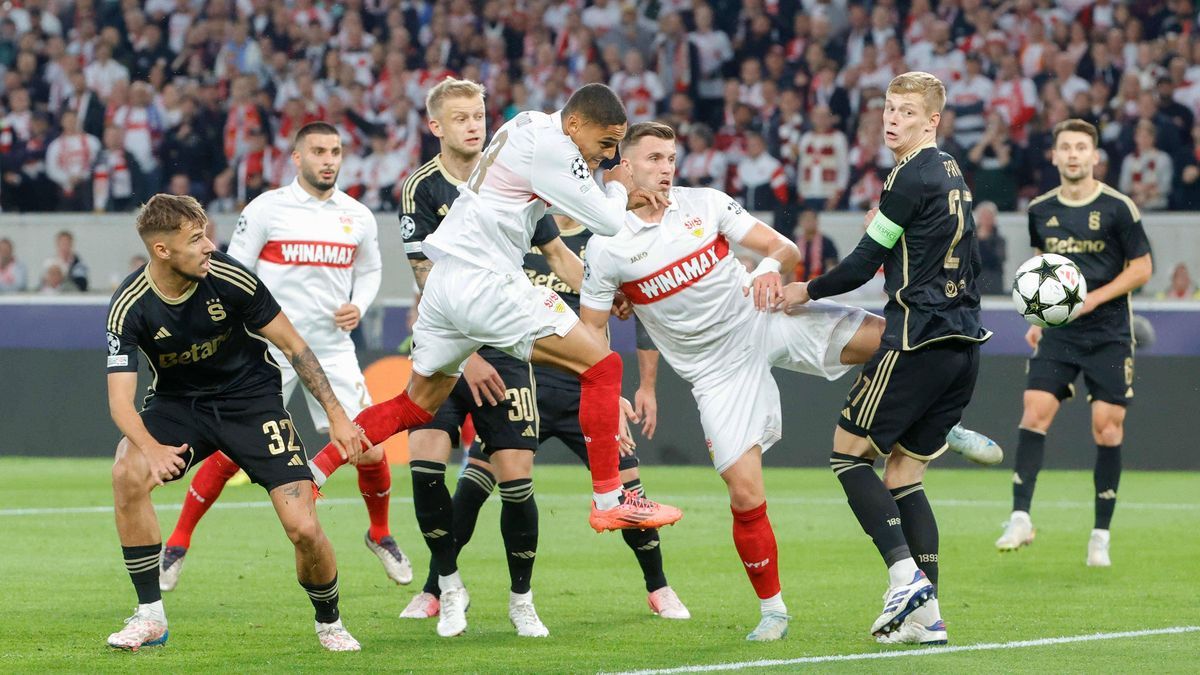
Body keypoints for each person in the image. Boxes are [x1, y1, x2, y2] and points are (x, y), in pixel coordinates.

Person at [301, 82, 684, 635]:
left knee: (413, 407)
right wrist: (622, 186)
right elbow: (605, 221)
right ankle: (610, 499)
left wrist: (606, 191)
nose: (608, 155)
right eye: (607, 143)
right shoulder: (555, 147)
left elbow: (559, 232)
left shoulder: (527, 124)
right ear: (577, 125)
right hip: (488, 286)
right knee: (603, 366)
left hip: (447, 286)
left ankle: (316, 471)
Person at [781, 72, 992, 646]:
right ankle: (928, 619)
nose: (891, 119)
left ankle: (904, 580)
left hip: (916, 340)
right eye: (887, 109)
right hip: (963, 345)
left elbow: (863, 262)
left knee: (849, 457)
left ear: (932, 120)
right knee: (905, 474)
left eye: (905, 111)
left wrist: (807, 289)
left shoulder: (907, 176)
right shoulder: (950, 170)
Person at [157, 121, 411, 593]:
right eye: (318, 150)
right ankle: (178, 542)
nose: (328, 159)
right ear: (297, 158)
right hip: (267, 348)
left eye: (335, 150)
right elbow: (232, 270)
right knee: (233, 451)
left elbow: (372, 268)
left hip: (331, 349)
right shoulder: (267, 208)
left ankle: (380, 533)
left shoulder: (357, 215)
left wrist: (361, 301)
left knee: (369, 448)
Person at [104, 194, 366, 652]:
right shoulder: (130, 306)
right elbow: (121, 404)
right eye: (195, 239)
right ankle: (150, 617)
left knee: (303, 528)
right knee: (127, 471)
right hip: (179, 404)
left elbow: (294, 346)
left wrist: (338, 417)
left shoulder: (228, 277)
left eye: (207, 234)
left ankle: (330, 621)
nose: (209, 245)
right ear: (162, 250)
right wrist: (151, 448)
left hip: (252, 401)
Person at [996, 119, 1153, 568]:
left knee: (1107, 426)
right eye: (1065, 147)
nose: (1072, 155)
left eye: (1081, 148)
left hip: (1108, 333)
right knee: (1034, 411)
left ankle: (1100, 534)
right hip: (1061, 332)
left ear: (1094, 156)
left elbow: (1142, 268)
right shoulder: (1040, 210)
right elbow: (1039, 264)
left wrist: (1090, 299)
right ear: (1054, 155)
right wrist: (1037, 315)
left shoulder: (1119, 208)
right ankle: (1020, 516)